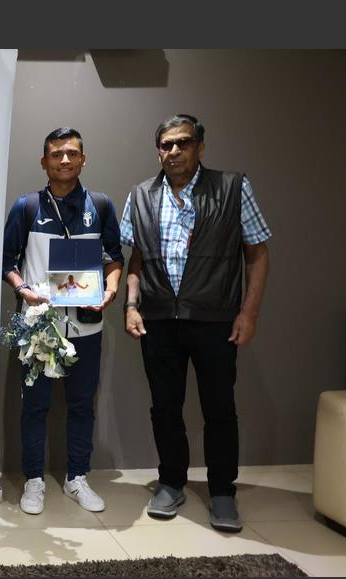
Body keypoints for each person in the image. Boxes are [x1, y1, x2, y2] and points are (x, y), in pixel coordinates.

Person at [120, 114, 271, 532]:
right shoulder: (141, 195)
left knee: (219, 408)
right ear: (158, 151)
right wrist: (131, 306)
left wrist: (249, 313)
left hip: (215, 319)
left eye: (182, 143)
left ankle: (223, 491)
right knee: (164, 408)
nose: (174, 152)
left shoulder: (233, 188)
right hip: (158, 320)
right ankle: (171, 482)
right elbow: (136, 258)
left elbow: (257, 253)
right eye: (166, 145)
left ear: (200, 147)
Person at [2, 127, 124, 516]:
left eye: (72, 153)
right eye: (57, 154)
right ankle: (34, 481)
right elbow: (7, 262)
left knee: (82, 405)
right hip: (40, 327)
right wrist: (24, 291)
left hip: (87, 327)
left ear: (83, 159)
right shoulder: (26, 207)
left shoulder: (101, 205)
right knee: (34, 407)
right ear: (44, 162)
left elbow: (114, 259)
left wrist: (111, 289)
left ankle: (77, 478)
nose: (65, 160)